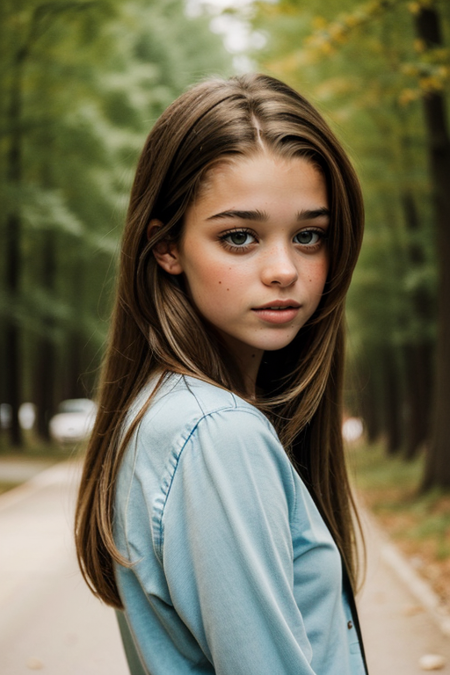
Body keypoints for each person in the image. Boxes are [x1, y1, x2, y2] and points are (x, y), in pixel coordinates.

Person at [75, 73, 367, 675]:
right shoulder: (216, 433)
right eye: (240, 237)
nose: (284, 269)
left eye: (310, 236)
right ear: (166, 248)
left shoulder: (162, 413)